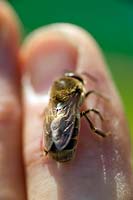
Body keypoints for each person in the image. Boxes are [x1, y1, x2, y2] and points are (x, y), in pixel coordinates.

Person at [0, 1, 132, 199]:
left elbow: (54, 115)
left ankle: (50, 149)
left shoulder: (56, 93)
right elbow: (82, 112)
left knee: (66, 117)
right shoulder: (78, 90)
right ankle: (95, 134)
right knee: (87, 113)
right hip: (62, 139)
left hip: (56, 140)